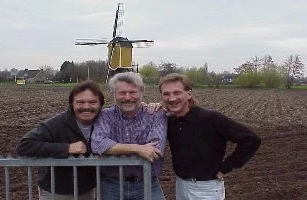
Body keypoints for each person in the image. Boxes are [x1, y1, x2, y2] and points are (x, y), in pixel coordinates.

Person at [158, 73, 261, 200]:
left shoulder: (210, 118)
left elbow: (251, 140)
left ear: (189, 94)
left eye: (177, 93)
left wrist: (226, 167)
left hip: (206, 189)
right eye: (166, 94)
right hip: (181, 185)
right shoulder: (170, 121)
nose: (172, 98)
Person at [16, 80, 104, 200]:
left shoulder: (103, 123)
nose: (86, 107)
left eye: (93, 102)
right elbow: (24, 146)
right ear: (72, 104)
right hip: (56, 192)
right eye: (80, 102)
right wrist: (67, 148)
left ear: (100, 104)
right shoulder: (56, 124)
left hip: (87, 190)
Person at [91, 72, 167, 200]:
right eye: (122, 93)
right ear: (113, 93)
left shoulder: (156, 115)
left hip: (146, 183)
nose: (127, 97)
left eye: (133, 92)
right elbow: (98, 144)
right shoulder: (105, 115)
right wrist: (138, 149)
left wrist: (112, 149)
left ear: (141, 92)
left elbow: (155, 149)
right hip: (111, 184)